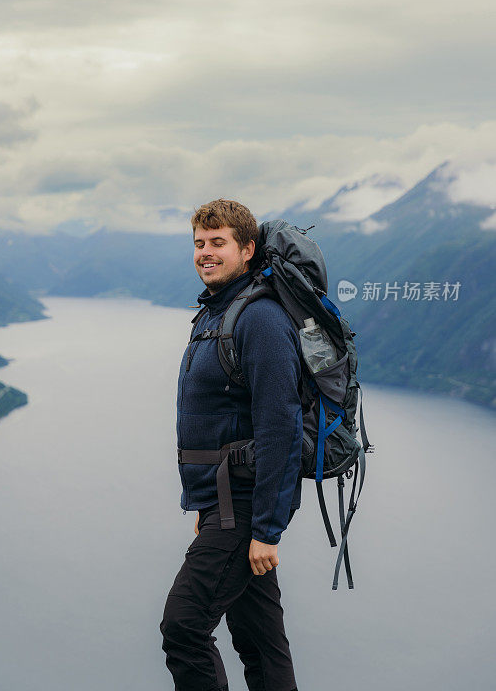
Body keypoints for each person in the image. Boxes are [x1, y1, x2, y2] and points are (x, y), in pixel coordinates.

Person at [160, 199, 302, 691]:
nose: (205, 253)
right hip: (223, 502)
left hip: (243, 509)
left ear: (247, 248)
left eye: (218, 243)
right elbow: (221, 421)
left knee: (183, 627)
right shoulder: (217, 314)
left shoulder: (259, 319)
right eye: (199, 244)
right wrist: (204, 499)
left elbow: (280, 425)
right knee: (260, 641)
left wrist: (266, 528)